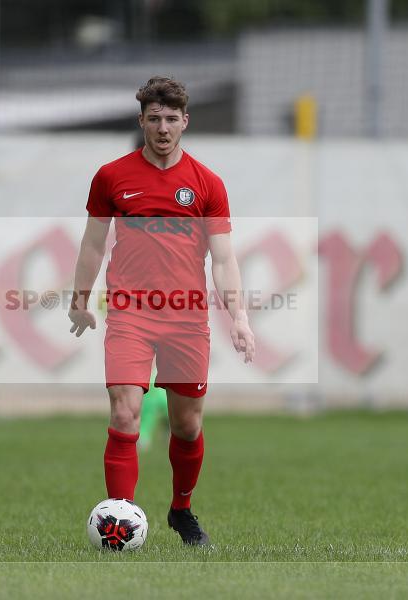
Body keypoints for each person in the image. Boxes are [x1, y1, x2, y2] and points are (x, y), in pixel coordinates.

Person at [68, 76, 255, 546]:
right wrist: (80, 298)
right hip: (130, 312)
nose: (163, 127)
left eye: (172, 119)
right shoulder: (112, 177)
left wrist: (240, 317)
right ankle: (117, 523)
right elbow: (93, 244)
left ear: (185, 122)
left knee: (187, 425)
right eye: (154, 119)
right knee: (124, 409)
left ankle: (181, 510)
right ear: (142, 121)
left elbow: (224, 258)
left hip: (187, 318)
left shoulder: (207, 184)